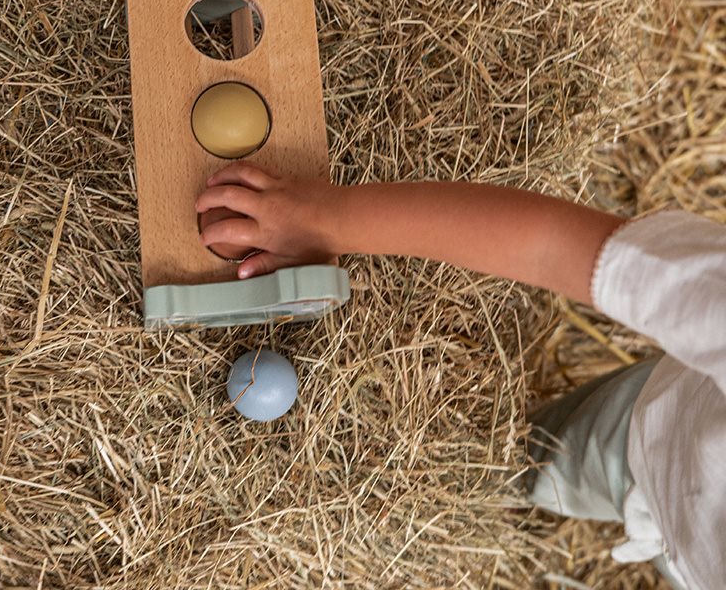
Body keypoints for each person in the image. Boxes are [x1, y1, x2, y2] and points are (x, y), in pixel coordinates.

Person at [196, 161, 726, 590]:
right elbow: (552, 244)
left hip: (686, 555)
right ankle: (513, 470)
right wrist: (325, 218)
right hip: (650, 440)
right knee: (552, 458)